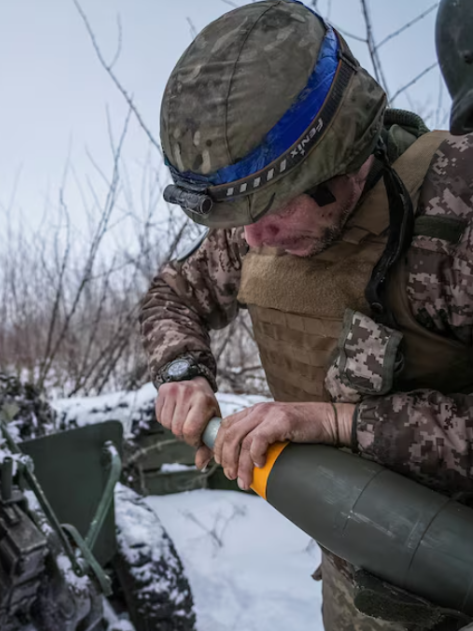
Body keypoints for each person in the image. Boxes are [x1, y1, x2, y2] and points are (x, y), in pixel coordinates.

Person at [140, 0, 473, 629]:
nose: (255, 241)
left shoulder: (455, 213)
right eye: (241, 221)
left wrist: (338, 422)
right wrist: (182, 369)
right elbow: (173, 293)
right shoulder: (253, 225)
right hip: (354, 584)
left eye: (273, 212)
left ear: (341, 155)